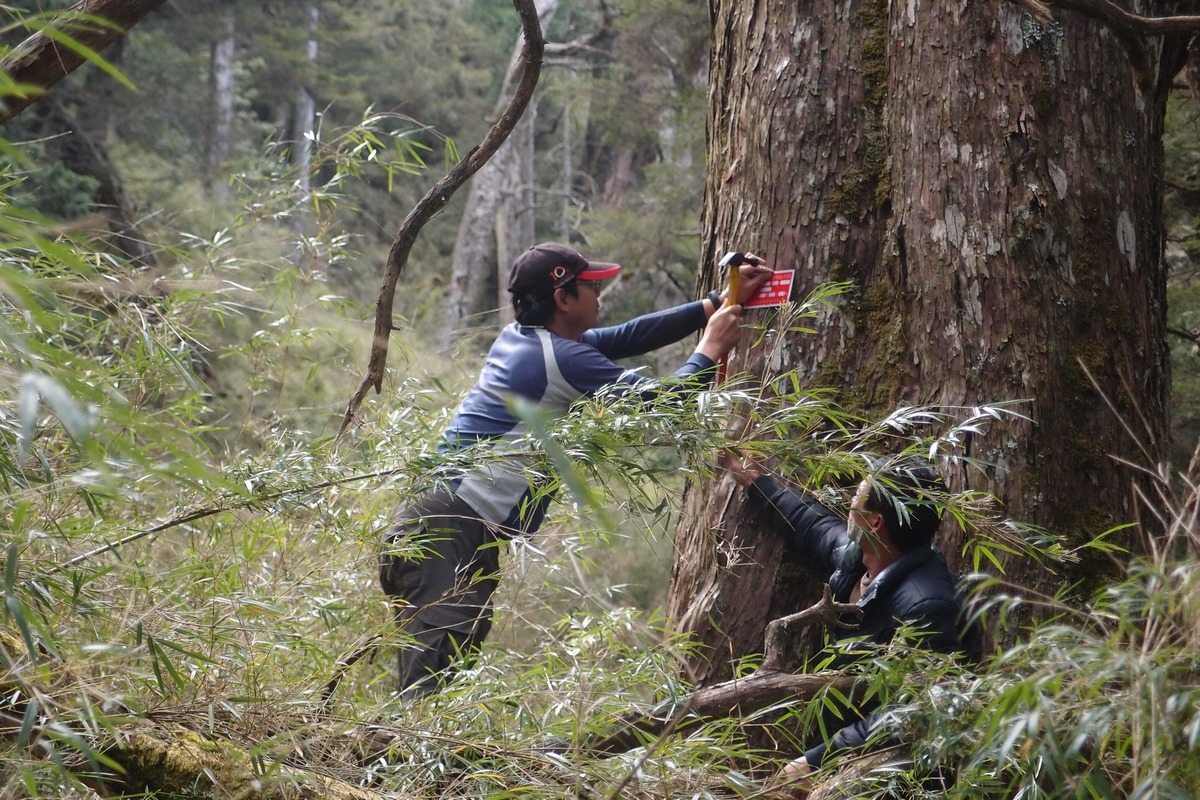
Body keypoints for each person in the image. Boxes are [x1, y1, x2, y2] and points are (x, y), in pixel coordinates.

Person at [380, 242, 773, 698]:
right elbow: (665, 407)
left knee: (449, 660)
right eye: (591, 287)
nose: (600, 294)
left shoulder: (525, 338)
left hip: (445, 521)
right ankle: (396, 761)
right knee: (430, 675)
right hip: (449, 527)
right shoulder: (560, 359)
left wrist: (715, 303)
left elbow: (628, 336)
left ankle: (418, 762)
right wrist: (709, 348)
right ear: (564, 299)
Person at [723, 453, 977, 798]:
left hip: (892, 776)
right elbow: (812, 526)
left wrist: (819, 761)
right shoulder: (861, 559)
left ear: (874, 523)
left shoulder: (926, 605)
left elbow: (916, 710)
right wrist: (759, 484)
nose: (848, 504)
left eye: (856, 498)